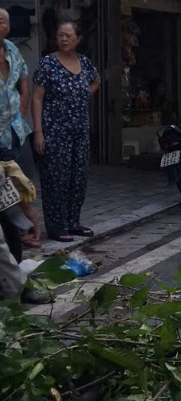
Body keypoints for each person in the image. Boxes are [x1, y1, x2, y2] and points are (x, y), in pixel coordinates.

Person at [32, 21, 100, 243]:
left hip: (79, 131)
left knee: (78, 178)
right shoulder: (47, 64)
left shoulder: (85, 63)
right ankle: (57, 226)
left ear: (78, 39)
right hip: (54, 131)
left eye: (68, 35)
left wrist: (81, 96)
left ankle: (73, 221)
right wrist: (38, 132)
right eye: (60, 35)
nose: (63, 39)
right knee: (56, 179)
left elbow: (96, 81)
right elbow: (37, 98)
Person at [0, 9, 42, 248]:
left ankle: (26, 229)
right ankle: (11, 233)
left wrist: (23, 103)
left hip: (16, 129)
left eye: (2, 21)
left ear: (7, 26)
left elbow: (23, 79)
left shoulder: (12, 49)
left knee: (23, 181)